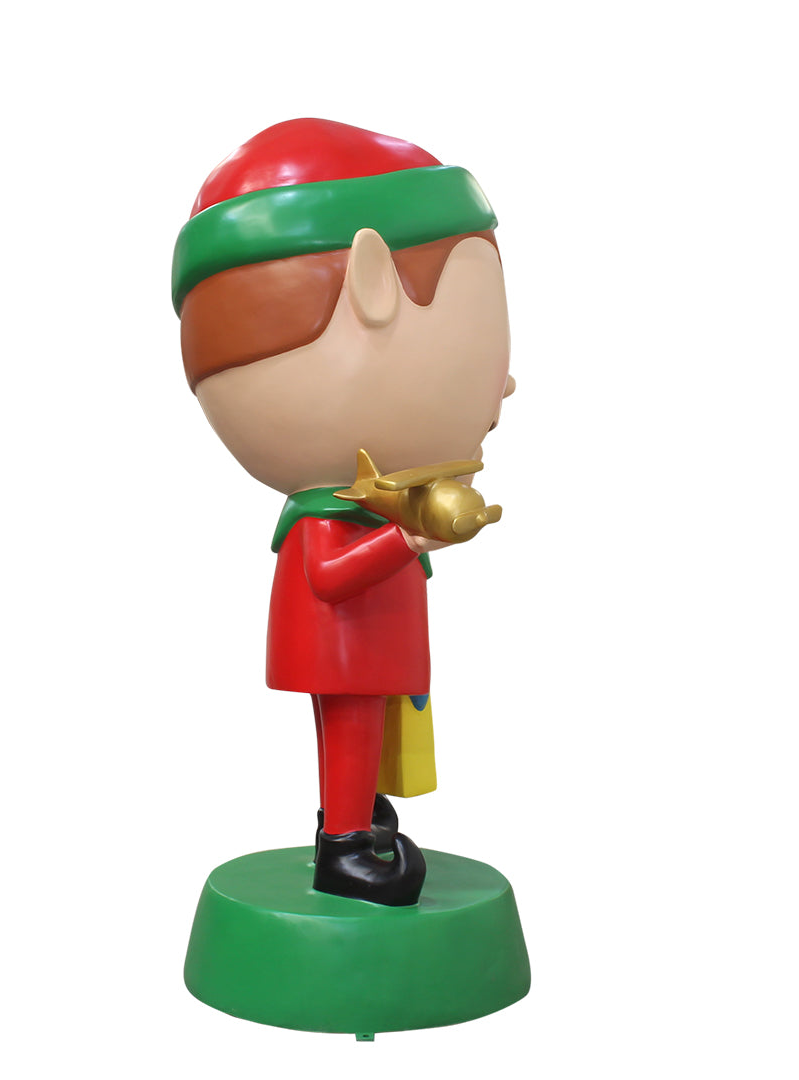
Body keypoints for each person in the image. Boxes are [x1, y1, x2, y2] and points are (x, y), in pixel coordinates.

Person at [172, 118, 514, 905]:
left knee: (362, 730)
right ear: (373, 283)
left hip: (367, 646)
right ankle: (346, 843)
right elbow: (327, 577)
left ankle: (354, 813)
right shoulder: (327, 515)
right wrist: (406, 538)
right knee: (351, 725)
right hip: (346, 647)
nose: (503, 384)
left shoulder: (364, 502)